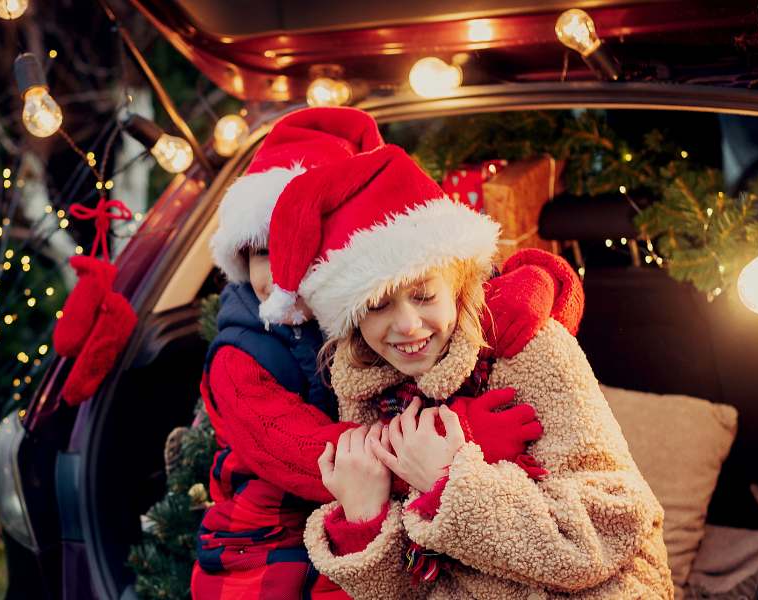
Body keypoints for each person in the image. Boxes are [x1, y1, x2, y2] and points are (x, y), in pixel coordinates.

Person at [192, 108, 584, 599]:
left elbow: (475, 290)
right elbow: (315, 459)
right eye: (260, 253)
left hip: (354, 513)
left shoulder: (366, 314)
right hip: (265, 534)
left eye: (296, 247)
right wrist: (460, 438)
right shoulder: (242, 355)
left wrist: (540, 285)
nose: (278, 272)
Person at [259, 143, 674, 599]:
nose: (408, 326)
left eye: (423, 296)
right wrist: (364, 520)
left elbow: (612, 524)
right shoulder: (367, 392)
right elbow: (411, 590)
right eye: (377, 306)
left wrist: (450, 482)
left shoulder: (527, 349)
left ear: (455, 282)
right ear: (352, 319)